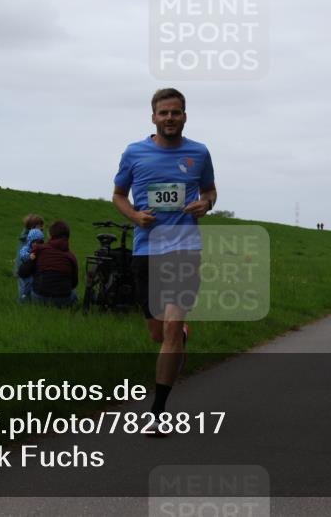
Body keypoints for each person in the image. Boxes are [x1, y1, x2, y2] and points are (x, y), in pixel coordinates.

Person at [113, 88, 216, 436]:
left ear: (185, 116)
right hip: (146, 251)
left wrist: (207, 203)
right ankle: (180, 335)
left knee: (170, 327)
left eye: (176, 112)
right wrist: (134, 216)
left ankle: (157, 413)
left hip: (185, 248)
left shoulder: (199, 153)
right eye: (164, 113)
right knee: (158, 332)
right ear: (153, 117)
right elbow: (118, 195)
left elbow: (210, 190)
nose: (170, 118)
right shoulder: (134, 153)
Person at [29, 220, 79, 307]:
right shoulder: (71, 256)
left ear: (50, 235)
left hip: (39, 297)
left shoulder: (39, 249)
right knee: (74, 292)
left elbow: (27, 268)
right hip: (62, 300)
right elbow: (74, 282)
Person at [14, 215, 44, 303]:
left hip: (29, 267)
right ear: (32, 227)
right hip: (22, 268)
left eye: (42, 225)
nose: (42, 228)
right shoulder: (28, 239)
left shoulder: (36, 237)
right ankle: (22, 301)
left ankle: (29, 300)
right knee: (23, 287)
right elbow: (22, 254)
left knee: (29, 285)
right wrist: (29, 256)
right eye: (39, 226)